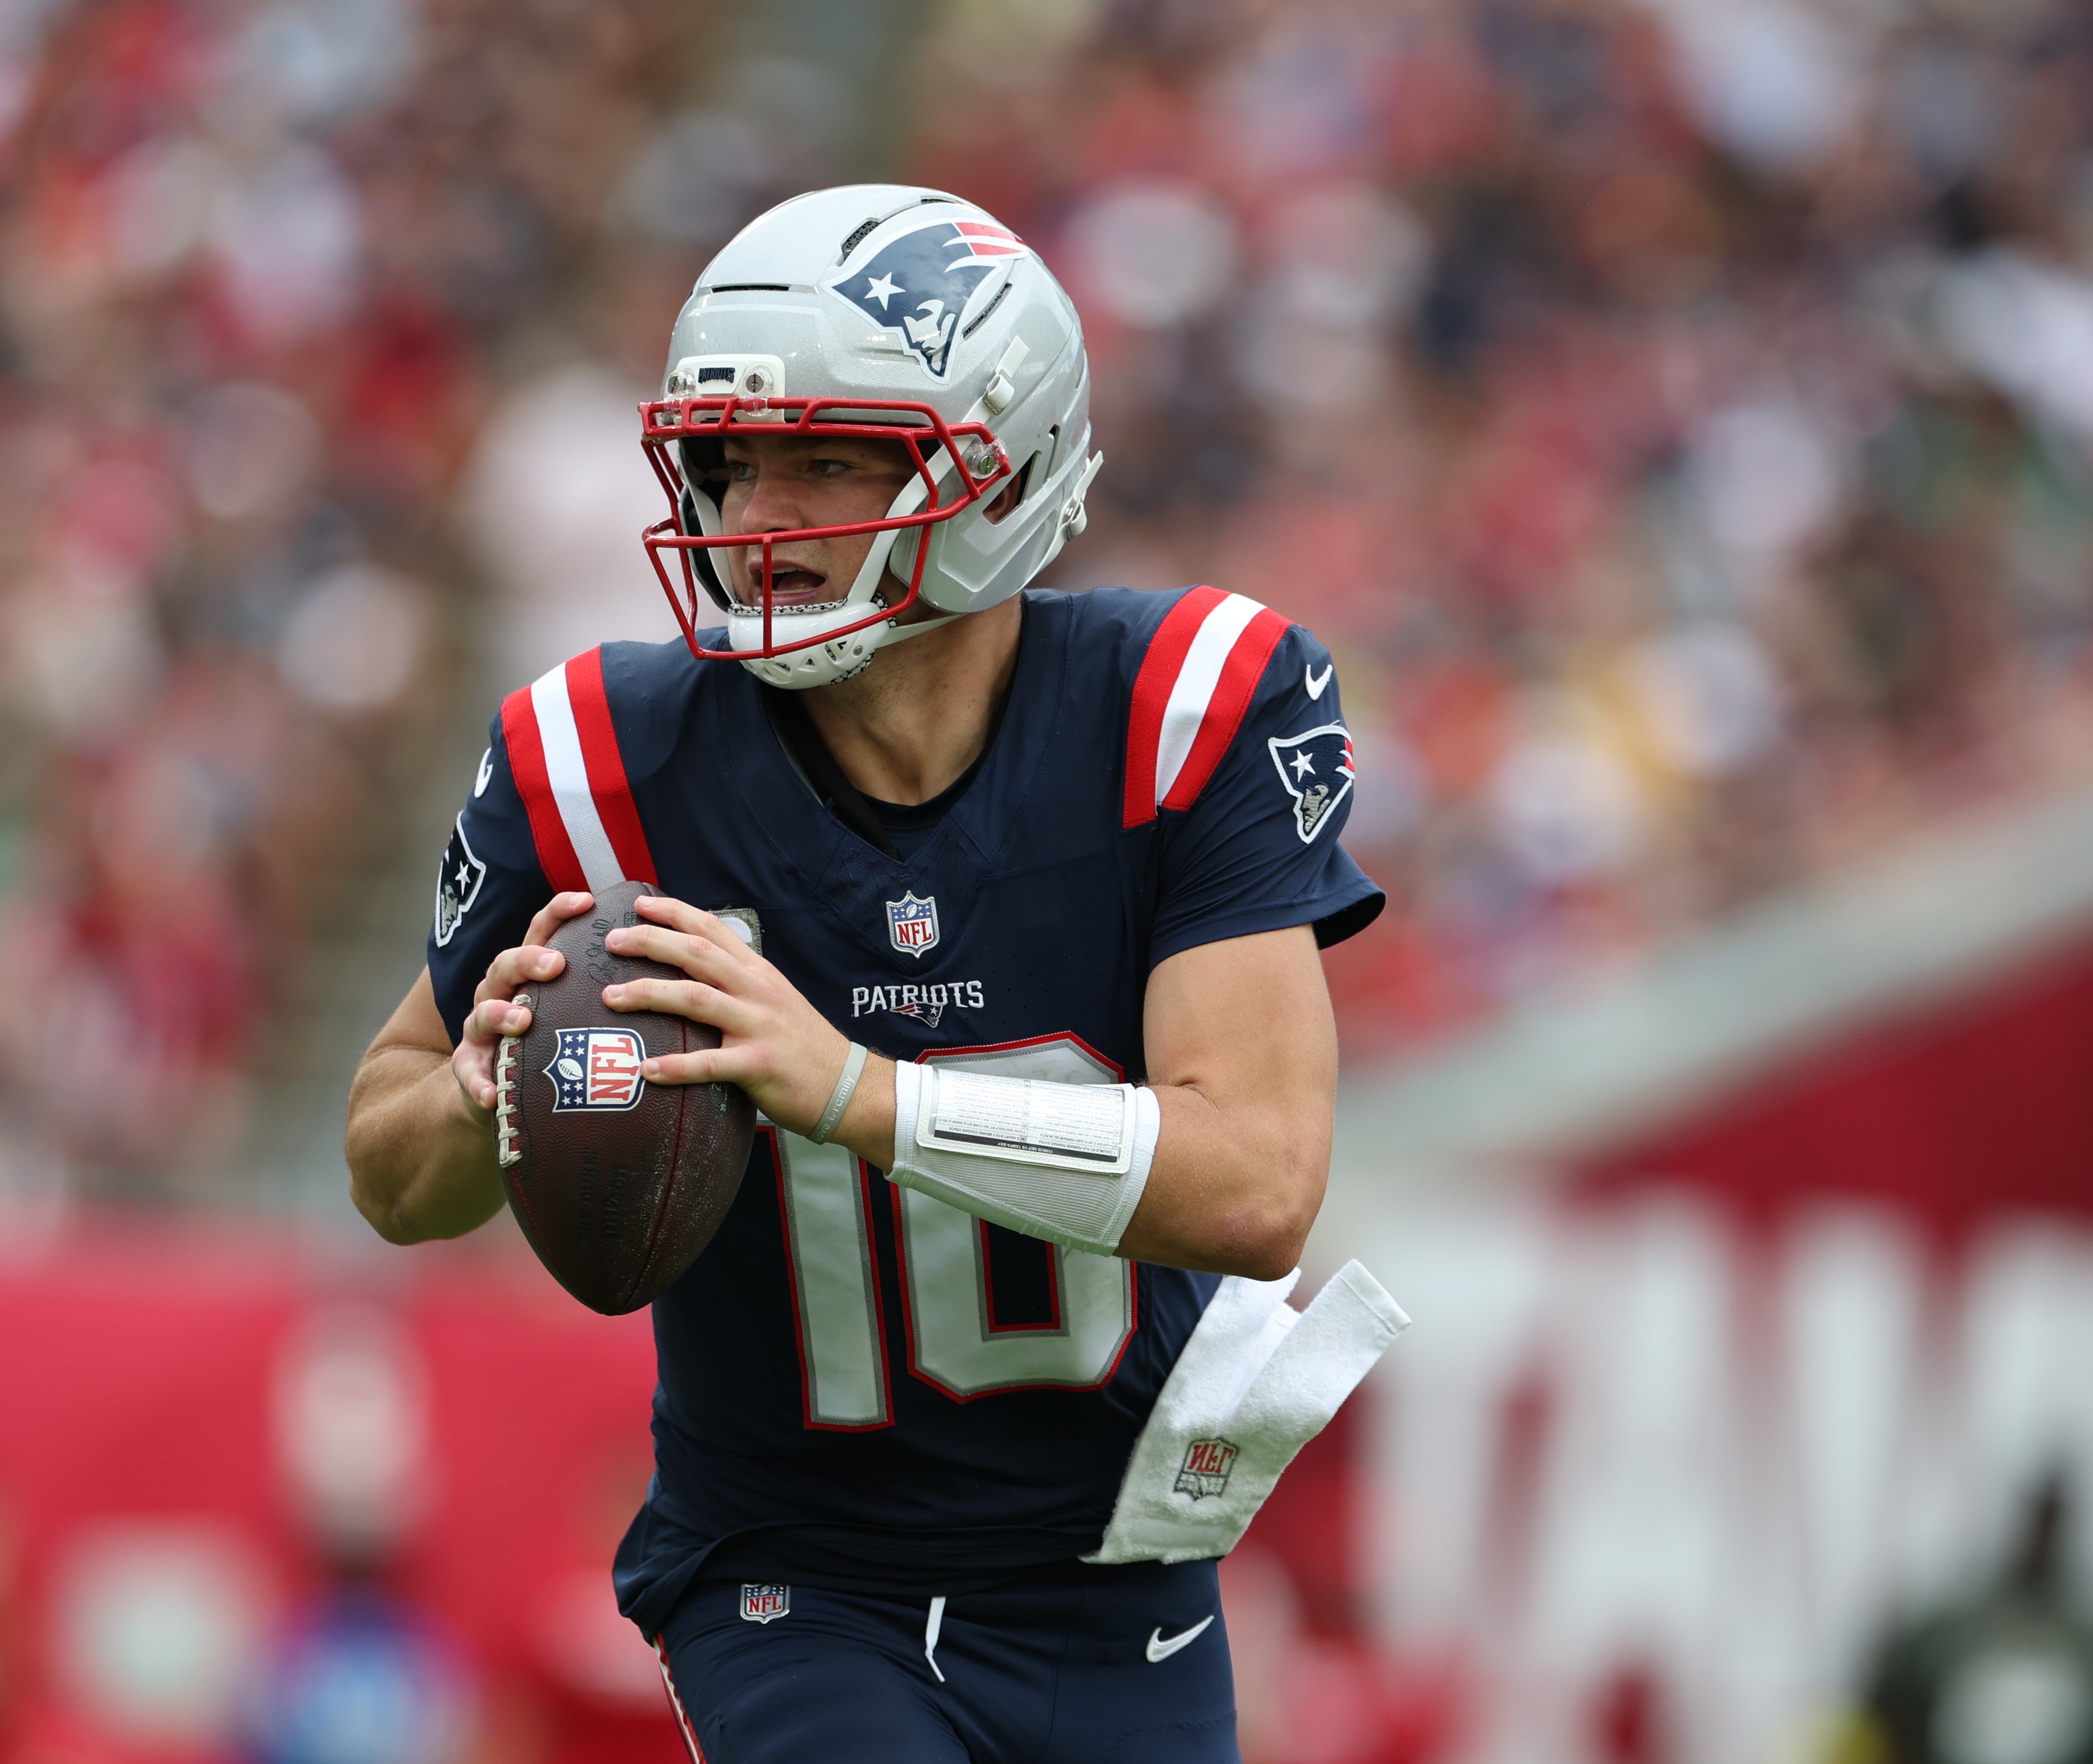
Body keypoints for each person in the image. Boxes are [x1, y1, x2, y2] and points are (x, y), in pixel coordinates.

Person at [347, 184, 1385, 1763]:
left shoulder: (1187, 709)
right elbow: (389, 1170)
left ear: (1004, 461)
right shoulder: (603, 757)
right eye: (730, 460)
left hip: (1120, 1584)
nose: (758, 513)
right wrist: (482, 1089)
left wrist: (850, 1091)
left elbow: (1256, 1186)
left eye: (827, 460)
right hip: (790, 1579)